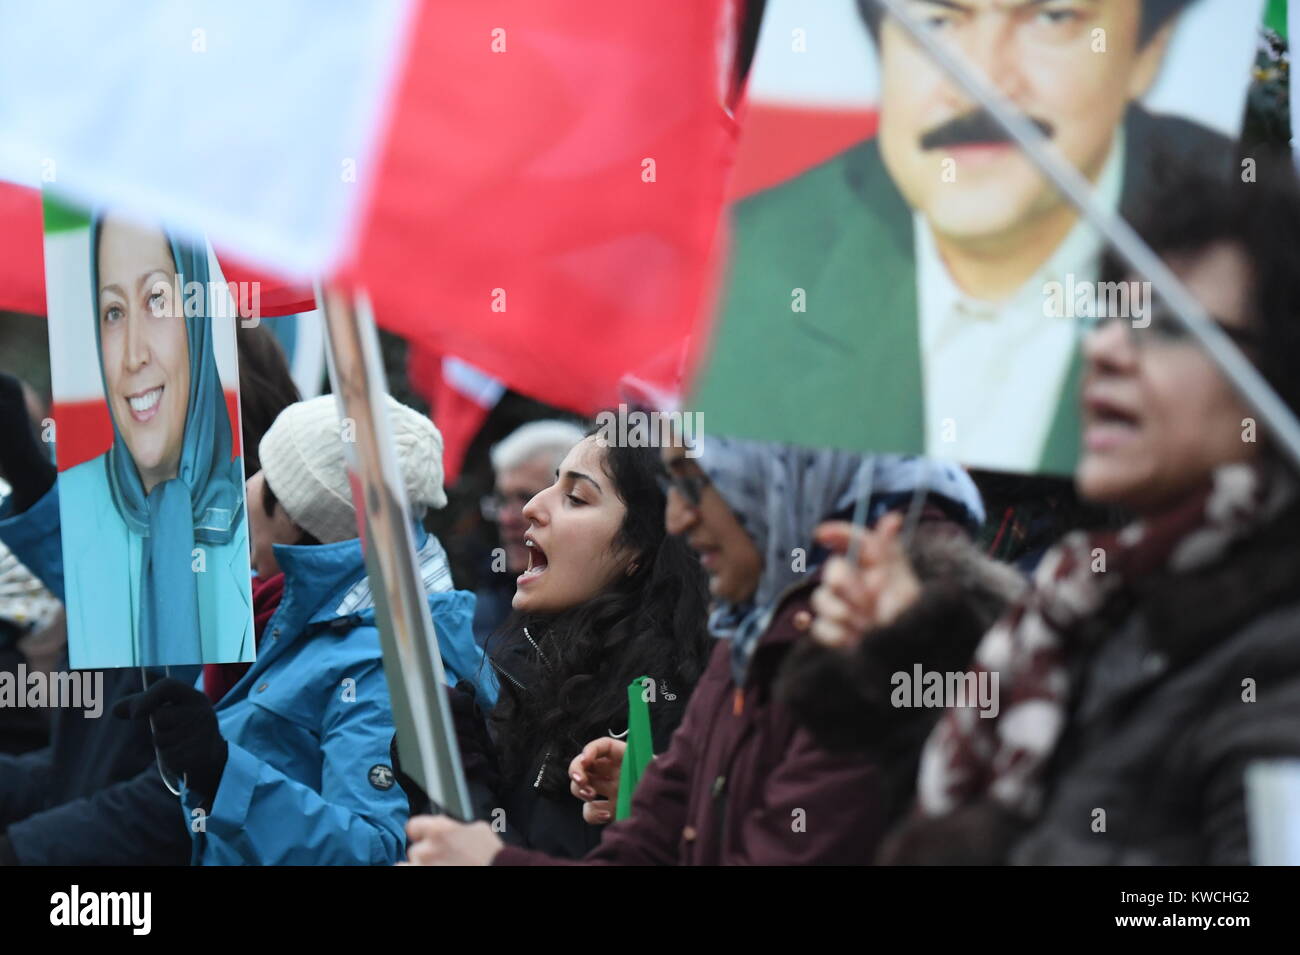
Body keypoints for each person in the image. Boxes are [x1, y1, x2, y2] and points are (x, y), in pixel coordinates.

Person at [818, 154, 1300, 864]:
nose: (1105, 348)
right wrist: (905, 647)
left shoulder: (1277, 669)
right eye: (1107, 314)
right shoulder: (1089, 603)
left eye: (1164, 324)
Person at [692, 0, 1228, 473]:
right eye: (937, 20)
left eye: (1052, 17)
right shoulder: (755, 262)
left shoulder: (1237, 259)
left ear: (1151, 48)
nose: (981, 81)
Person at [404, 440, 992, 865]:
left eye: (698, 485)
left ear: (776, 480)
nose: (680, 520)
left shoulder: (882, 647)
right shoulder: (745, 641)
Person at [110, 394, 495, 865]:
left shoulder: (381, 665)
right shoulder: (289, 613)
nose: (243, 488)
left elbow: (379, 851)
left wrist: (222, 773)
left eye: (262, 473)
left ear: (293, 515)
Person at [0, 327, 300, 865]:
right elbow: (94, 760)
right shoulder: (153, 556)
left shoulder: (253, 597)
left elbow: (183, 796)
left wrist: (25, 851)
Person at [404, 430, 713, 859]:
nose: (530, 508)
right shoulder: (523, 664)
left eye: (577, 498)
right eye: (552, 484)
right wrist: (451, 753)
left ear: (638, 549)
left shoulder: (678, 707)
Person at [61, 214, 250, 668]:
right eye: (113, 312)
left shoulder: (260, 529)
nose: (132, 354)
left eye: (158, 301)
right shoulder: (69, 513)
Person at [473, 419, 585, 645]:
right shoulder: (478, 614)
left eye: (527, 498)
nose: (506, 518)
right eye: (503, 500)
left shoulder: (627, 625)